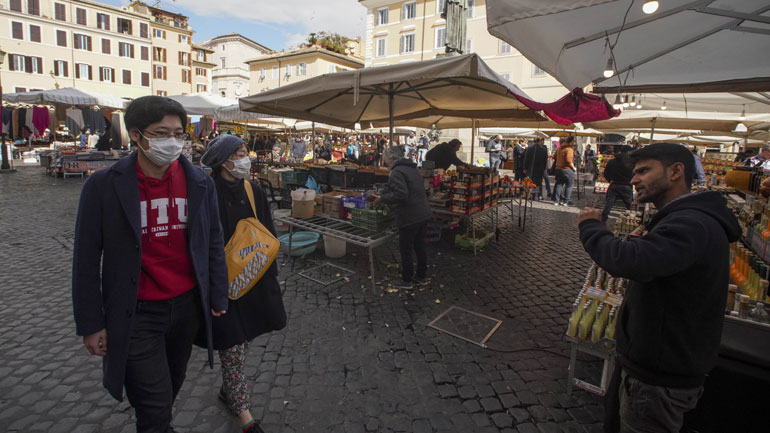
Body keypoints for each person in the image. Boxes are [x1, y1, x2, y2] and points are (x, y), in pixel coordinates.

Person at [72, 96, 229, 433]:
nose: (171, 142)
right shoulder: (102, 186)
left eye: (178, 133)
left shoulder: (200, 182)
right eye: (161, 133)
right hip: (136, 312)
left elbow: (213, 241)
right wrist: (90, 322)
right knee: (155, 406)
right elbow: (85, 258)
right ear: (136, 135)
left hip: (186, 308)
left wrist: (218, 294)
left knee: (170, 388)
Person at [577, 143, 741, 433]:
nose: (633, 180)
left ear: (676, 171)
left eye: (643, 171)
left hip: (659, 378)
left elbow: (629, 262)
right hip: (656, 366)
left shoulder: (691, 223)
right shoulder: (687, 219)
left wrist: (592, 227)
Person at [200, 136, 286, 433]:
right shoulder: (205, 191)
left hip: (252, 279)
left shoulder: (254, 189)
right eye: (239, 153)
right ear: (224, 160)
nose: (245, 158)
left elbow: (267, 231)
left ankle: (229, 391)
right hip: (222, 284)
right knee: (232, 346)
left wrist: (271, 277)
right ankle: (244, 415)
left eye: (245, 152)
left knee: (242, 341)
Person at [370, 146, 431, 289]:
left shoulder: (397, 171)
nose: (385, 163)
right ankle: (421, 277)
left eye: (385, 161)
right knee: (419, 246)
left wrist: (381, 199)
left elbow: (401, 195)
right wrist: (386, 190)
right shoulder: (411, 168)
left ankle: (407, 280)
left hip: (410, 216)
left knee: (406, 248)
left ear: (391, 159)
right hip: (423, 213)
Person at [600, 145, 635, 223]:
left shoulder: (612, 161)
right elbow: (635, 174)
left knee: (608, 205)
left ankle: (603, 221)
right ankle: (633, 221)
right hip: (626, 185)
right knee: (630, 206)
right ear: (629, 152)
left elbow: (605, 173)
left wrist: (610, 180)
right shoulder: (631, 162)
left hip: (614, 185)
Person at [553, 136, 576, 206]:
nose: (574, 143)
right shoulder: (569, 149)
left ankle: (557, 201)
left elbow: (554, 157)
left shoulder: (559, 148)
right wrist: (574, 168)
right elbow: (569, 160)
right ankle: (566, 201)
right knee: (569, 185)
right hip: (567, 169)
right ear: (571, 141)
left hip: (558, 168)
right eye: (573, 141)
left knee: (559, 184)